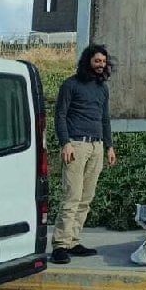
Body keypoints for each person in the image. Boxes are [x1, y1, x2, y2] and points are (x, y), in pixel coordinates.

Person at [51, 45, 117, 265]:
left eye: (103, 62)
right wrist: (65, 143)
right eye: (97, 61)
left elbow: (105, 118)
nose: (101, 65)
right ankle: (60, 245)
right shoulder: (70, 85)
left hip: (97, 147)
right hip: (76, 145)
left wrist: (109, 146)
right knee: (71, 196)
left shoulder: (102, 88)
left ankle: (73, 241)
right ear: (88, 61)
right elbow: (60, 115)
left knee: (86, 198)